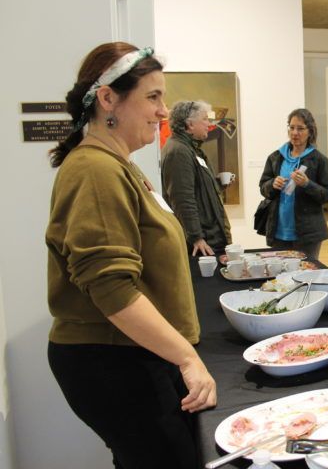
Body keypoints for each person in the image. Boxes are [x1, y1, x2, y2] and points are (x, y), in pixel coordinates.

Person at [45, 42, 216, 468]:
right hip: (115, 359)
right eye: (153, 96)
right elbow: (112, 288)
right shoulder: (95, 169)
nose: (163, 111)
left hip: (132, 353)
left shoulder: (117, 164)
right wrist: (187, 357)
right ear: (108, 99)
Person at [259, 108, 328, 260]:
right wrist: (272, 184)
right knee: (280, 272)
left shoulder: (319, 160)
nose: (295, 133)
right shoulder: (275, 157)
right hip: (278, 231)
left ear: (310, 131)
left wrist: (307, 184)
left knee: (306, 271)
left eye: (300, 128)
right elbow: (263, 187)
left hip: (308, 234)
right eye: (292, 127)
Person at [161, 100, 232, 257]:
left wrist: (217, 184)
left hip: (210, 238)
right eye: (205, 119)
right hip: (201, 244)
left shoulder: (191, 149)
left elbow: (197, 190)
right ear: (190, 124)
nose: (209, 124)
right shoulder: (178, 152)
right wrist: (196, 237)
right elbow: (182, 199)